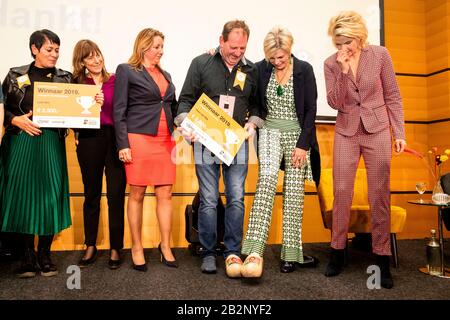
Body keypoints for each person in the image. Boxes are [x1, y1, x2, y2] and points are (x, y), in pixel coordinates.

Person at [323, 11, 406, 289]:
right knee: (342, 192)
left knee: (379, 193)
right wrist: (344, 72)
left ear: (359, 37)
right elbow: (335, 102)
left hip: (378, 130)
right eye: (338, 44)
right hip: (346, 131)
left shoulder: (380, 55)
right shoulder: (331, 64)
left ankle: (382, 258)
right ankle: (337, 252)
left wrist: (399, 133)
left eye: (347, 43)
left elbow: (393, 94)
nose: (342, 49)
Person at [176, 20, 261, 277]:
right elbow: (184, 103)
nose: (237, 52)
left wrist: (253, 125)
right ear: (221, 40)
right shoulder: (201, 63)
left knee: (236, 198)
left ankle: (232, 252)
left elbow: (257, 107)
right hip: (204, 140)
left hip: (237, 143)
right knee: (210, 200)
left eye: (242, 48)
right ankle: (208, 252)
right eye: (233, 47)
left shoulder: (252, 70)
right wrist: (185, 125)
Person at [239, 26, 321, 278]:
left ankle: (291, 254)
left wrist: (303, 145)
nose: (276, 62)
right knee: (266, 182)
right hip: (270, 130)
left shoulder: (304, 70)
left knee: (294, 192)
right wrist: (211, 53)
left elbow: (310, 110)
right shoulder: (261, 68)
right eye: (272, 58)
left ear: (289, 50)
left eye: (280, 58)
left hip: (297, 135)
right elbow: (238, 70)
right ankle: (254, 250)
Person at [0, 29, 73, 278]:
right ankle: (27, 257)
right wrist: (15, 120)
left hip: (51, 142)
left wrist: (94, 101)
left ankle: (44, 253)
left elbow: (78, 111)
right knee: (21, 197)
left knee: (50, 196)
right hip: (21, 142)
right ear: (34, 49)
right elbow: (3, 108)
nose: (54, 54)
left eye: (57, 50)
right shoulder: (14, 75)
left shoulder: (66, 78)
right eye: (49, 49)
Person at [114, 28, 178, 272]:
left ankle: (166, 246)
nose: (160, 51)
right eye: (156, 46)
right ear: (143, 46)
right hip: (138, 138)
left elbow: (172, 104)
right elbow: (119, 110)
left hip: (165, 141)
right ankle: (137, 247)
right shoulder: (127, 70)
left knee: (166, 194)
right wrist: (123, 145)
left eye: (162, 46)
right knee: (137, 194)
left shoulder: (167, 74)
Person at [72, 40, 126, 270]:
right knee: (91, 194)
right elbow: (69, 113)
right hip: (88, 139)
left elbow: (124, 109)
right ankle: (90, 245)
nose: (96, 60)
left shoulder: (116, 80)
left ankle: (116, 247)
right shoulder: (76, 84)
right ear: (81, 62)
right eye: (90, 57)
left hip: (114, 138)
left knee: (116, 194)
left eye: (98, 55)